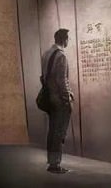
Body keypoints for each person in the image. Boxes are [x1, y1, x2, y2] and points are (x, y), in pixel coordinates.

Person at [41, 29, 75, 174]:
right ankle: (55, 165)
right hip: (59, 100)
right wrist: (67, 98)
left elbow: (44, 77)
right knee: (59, 133)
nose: (68, 41)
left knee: (52, 131)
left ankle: (51, 162)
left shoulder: (46, 54)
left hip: (49, 98)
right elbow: (62, 80)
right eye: (68, 38)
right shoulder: (61, 56)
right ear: (64, 39)